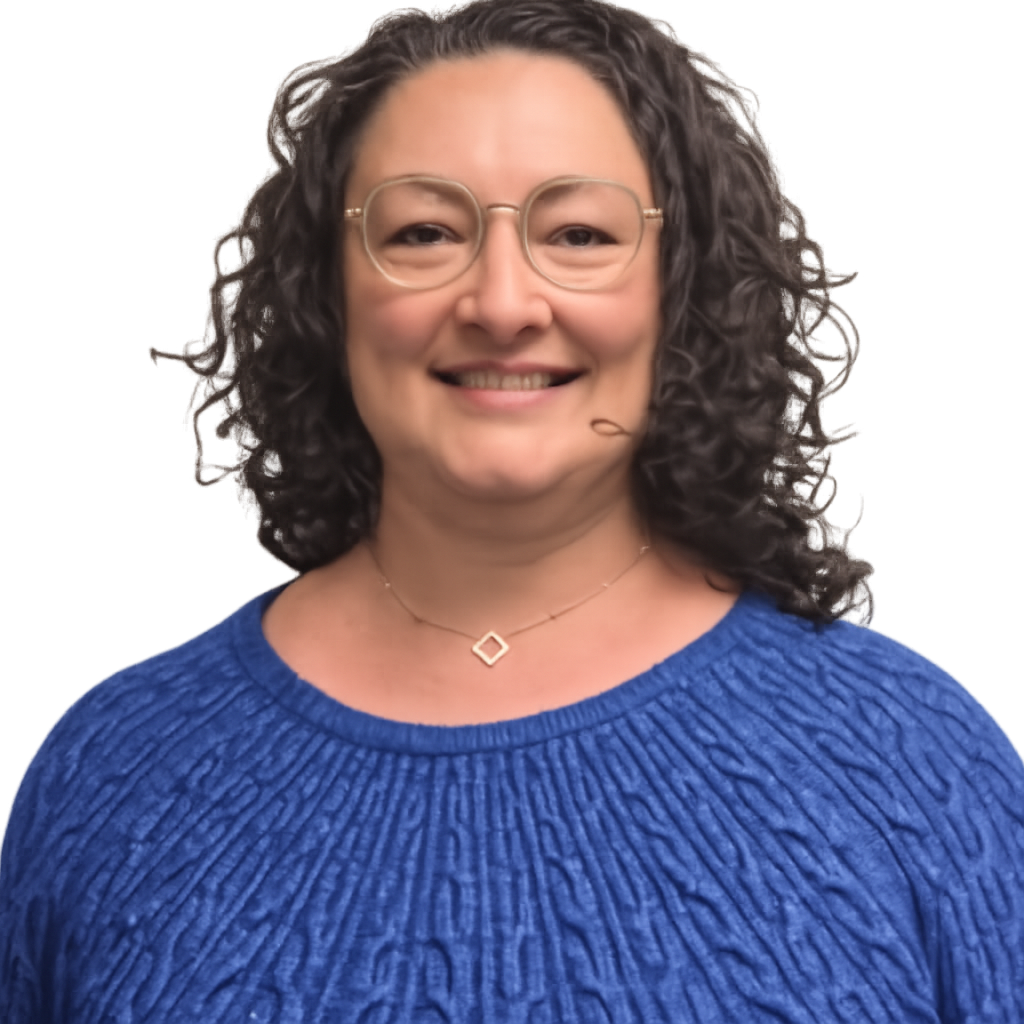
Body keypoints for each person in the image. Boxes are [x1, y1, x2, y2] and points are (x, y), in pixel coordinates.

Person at [3, 0, 1021, 1020]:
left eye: (579, 233)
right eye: (424, 231)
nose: (500, 302)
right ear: (326, 291)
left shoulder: (923, 768)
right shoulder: (106, 778)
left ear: (682, 288)